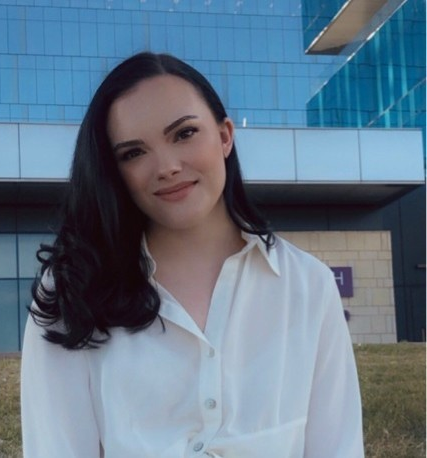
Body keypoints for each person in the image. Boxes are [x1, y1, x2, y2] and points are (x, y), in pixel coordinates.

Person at [21, 52, 364, 458]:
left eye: (184, 134)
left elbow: (338, 448)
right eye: (133, 153)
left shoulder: (308, 285)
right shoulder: (71, 289)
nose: (167, 167)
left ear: (225, 136)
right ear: (113, 170)